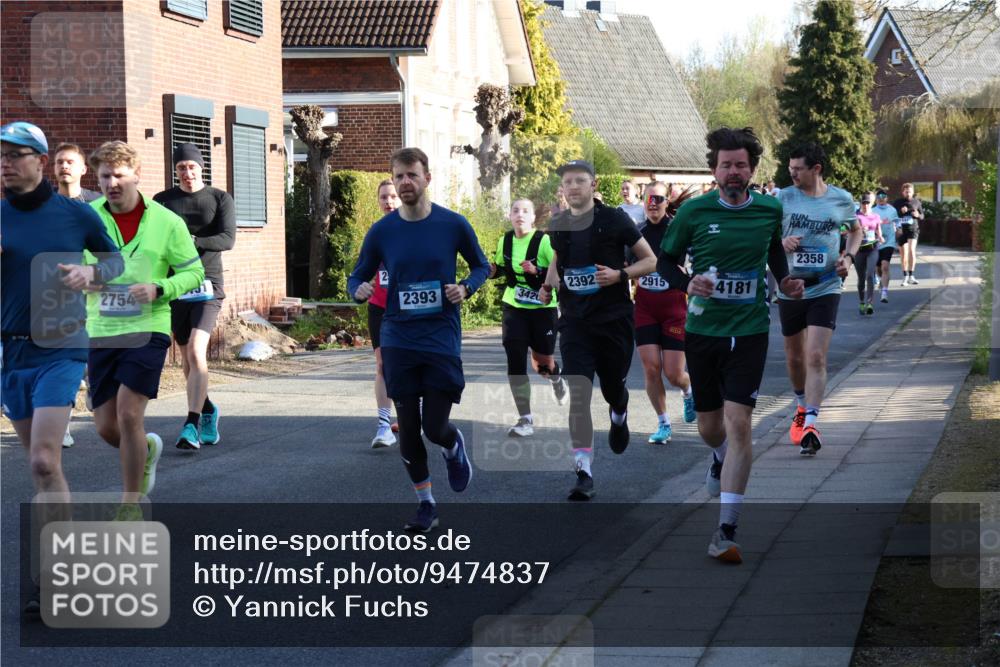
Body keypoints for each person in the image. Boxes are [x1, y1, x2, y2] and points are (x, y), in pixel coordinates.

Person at [659, 127, 805, 563]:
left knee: (741, 423)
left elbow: (772, 253)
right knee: (711, 428)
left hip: (751, 330)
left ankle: (725, 530)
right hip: (704, 333)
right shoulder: (695, 213)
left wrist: (784, 280)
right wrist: (689, 283)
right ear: (714, 170)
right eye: (726, 165)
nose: (734, 172)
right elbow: (665, 261)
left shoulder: (769, 210)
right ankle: (719, 457)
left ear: (752, 169)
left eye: (741, 164)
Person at [1, 121, 124, 615]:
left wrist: (89, 273)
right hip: (11, 354)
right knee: (41, 468)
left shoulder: (75, 214)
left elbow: (117, 262)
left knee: (43, 460)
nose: (6, 163)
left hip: (62, 346)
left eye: (16, 155)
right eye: (2, 156)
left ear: (40, 161)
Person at [348, 147, 489, 533]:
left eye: (412, 175)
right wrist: (356, 289)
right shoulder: (382, 231)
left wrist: (466, 287)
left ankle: (452, 445)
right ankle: (426, 503)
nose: (405, 182)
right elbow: (356, 274)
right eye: (398, 176)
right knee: (408, 427)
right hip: (397, 336)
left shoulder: (452, 224)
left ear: (427, 178)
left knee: (434, 426)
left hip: (440, 336)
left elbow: (481, 265)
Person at [85, 141, 205, 516]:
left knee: (128, 413)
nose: (112, 183)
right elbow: (67, 264)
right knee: (106, 427)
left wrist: (160, 288)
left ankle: (131, 503)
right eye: (105, 176)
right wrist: (81, 276)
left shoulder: (167, 222)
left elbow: (194, 272)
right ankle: (146, 449)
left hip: (149, 324)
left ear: (137, 174)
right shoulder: (87, 218)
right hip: (102, 327)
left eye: (119, 175)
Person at [538, 159, 657, 501]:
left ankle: (619, 413)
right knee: (579, 391)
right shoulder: (559, 223)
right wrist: (548, 287)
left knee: (612, 387)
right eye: (567, 182)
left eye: (579, 181)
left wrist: (621, 275)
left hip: (613, 319)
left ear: (593, 185)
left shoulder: (614, 219)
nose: (573, 187)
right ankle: (583, 469)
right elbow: (558, 261)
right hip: (575, 320)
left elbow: (650, 260)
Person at [777, 143, 859, 457]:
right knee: (795, 358)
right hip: (791, 286)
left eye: (798, 168)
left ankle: (811, 421)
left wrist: (848, 258)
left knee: (815, 356)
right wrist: (781, 242)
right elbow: (768, 237)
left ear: (816, 169)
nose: (792, 173)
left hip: (825, 285)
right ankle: (801, 405)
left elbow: (855, 231)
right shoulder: (783, 197)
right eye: (790, 168)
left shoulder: (841, 199)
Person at [153, 143, 235, 450]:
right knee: (187, 357)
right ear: (175, 171)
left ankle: (190, 423)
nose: (187, 173)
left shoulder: (218, 198)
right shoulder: (162, 201)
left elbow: (228, 239)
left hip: (207, 285)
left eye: (192, 167)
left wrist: (192, 241)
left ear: (202, 168)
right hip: (175, 287)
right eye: (181, 168)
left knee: (198, 352)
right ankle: (208, 409)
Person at [489, 198, 568, 437]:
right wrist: (491, 271)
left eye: (525, 211)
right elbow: (501, 268)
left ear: (533, 217)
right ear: (510, 216)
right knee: (514, 359)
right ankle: (525, 418)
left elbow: (558, 272)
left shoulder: (543, 241)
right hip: (514, 305)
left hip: (543, 308)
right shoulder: (505, 240)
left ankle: (556, 378)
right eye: (515, 210)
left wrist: (537, 271)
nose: (519, 214)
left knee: (543, 364)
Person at [632, 181, 696, 444]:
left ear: (667, 202)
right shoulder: (636, 232)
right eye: (648, 199)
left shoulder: (677, 230)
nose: (653, 204)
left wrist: (689, 275)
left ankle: (688, 390)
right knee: (650, 368)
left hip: (673, 305)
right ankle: (663, 423)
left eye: (658, 199)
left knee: (673, 373)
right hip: (645, 304)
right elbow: (626, 264)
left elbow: (697, 259)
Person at [52, 143, 100, 447]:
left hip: (95, 295)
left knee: (93, 358)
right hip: (55, 295)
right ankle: (63, 425)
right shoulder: (44, 206)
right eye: (59, 162)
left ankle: (99, 394)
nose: (64, 166)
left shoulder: (97, 205)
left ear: (84, 169)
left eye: (70, 161)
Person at [365, 179, 401, 448]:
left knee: (409, 363)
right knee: (382, 364)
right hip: (379, 307)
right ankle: (383, 425)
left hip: (408, 308)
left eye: (393, 197)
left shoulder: (414, 229)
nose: (388, 201)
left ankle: (413, 413)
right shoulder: (375, 232)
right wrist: (362, 284)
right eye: (384, 197)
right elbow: (362, 269)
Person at [855, 193, 885, 315]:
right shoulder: (855, 216)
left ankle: (870, 303)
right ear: (860, 203)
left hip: (873, 248)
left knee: (870, 275)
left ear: (871, 204)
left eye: (868, 203)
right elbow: (844, 230)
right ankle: (862, 301)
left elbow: (878, 230)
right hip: (859, 250)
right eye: (863, 203)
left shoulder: (876, 216)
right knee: (861, 278)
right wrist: (859, 231)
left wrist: (881, 237)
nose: (865, 205)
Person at [893, 183, 924, 285]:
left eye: (910, 191)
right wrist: (900, 212)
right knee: (903, 254)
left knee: (911, 250)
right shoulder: (897, 202)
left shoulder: (917, 202)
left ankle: (911, 275)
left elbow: (922, 215)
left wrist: (918, 215)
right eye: (906, 192)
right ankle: (905, 276)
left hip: (913, 229)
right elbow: (893, 215)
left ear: (913, 192)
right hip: (901, 230)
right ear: (903, 192)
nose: (908, 193)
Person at [873, 189, 900, 303]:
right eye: (878, 197)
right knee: (878, 268)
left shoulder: (892, 210)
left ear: (887, 198)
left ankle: (884, 293)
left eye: (883, 196)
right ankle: (880, 280)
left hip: (889, 241)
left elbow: (897, 221)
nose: (881, 198)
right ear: (876, 199)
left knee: (885, 266)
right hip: (876, 242)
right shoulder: (873, 210)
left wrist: (899, 229)